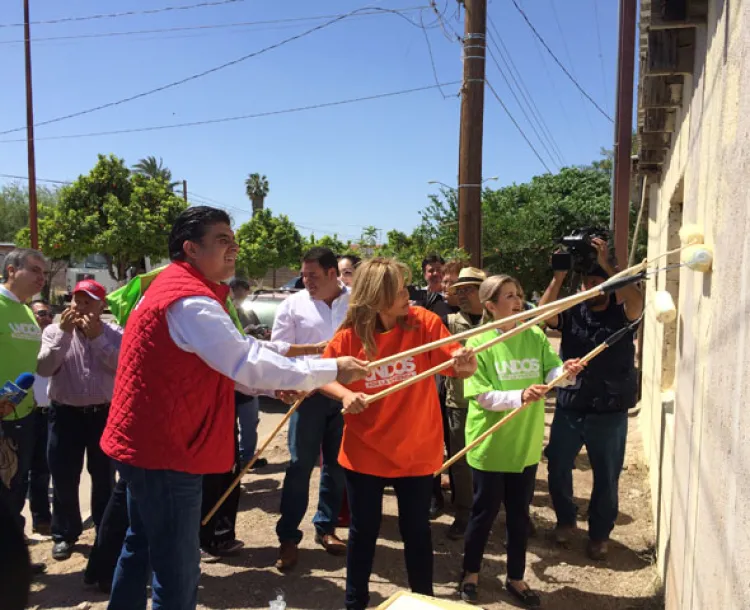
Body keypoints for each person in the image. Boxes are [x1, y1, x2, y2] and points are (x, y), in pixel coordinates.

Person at [99, 207, 368, 610]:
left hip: (149, 443)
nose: (234, 248)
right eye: (222, 239)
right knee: (176, 566)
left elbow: (235, 358)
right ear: (191, 248)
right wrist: (329, 368)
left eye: (232, 239)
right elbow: (246, 363)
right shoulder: (190, 301)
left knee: (143, 545)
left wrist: (293, 374)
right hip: (168, 450)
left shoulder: (176, 289)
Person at [321, 257, 478, 610]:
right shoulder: (349, 337)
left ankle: (424, 601)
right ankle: (355, 603)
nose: (409, 294)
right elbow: (324, 375)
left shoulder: (424, 323)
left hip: (415, 450)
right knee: (363, 534)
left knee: (417, 533)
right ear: (376, 298)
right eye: (400, 290)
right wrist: (347, 395)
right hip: (364, 451)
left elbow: (456, 363)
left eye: (407, 287)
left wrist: (465, 364)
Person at [458, 275, 583, 607]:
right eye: (508, 296)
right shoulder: (478, 342)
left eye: (519, 294)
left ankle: (515, 577)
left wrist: (566, 372)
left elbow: (551, 373)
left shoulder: (535, 335)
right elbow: (481, 395)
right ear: (490, 306)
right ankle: (470, 573)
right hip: (490, 443)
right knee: (483, 513)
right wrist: (520, 395)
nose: (517, 301)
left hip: (525, 443)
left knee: (519, 515)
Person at [539, 238, 643, 560]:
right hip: (572, 405)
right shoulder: (573, 311)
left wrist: (610, 266)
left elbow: (637, 299)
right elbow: (544, 315)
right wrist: (558, 277)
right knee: (557, 465)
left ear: (610, 284)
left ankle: (599, 534)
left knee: (606, 475)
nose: (592, 287)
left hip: (609, 409)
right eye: (587, 281)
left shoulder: (624, 311)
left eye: (599, 282)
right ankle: (566, 520)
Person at [271, 246, 351, 571]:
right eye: (304, 275)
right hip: (308, 396)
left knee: (337, 465)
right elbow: (278, 351)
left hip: (345, 395)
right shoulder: (293, 305)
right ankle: (288, 537)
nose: (306, 281)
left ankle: (326, 527)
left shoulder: (356, 302)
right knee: (299, 465)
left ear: (333, 273)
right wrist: (281, 383)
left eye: (313, 275)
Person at [37, 279, 120, 561]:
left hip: (103, 414)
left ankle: (105, 532)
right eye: (77, 300)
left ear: (102, 306)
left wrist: (97, 339)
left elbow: (122, 367)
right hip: (65, 414)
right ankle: (65, 533)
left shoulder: (113, 332)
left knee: (104, 477)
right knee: (63, 476)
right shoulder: (53, 331)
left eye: (88, 302)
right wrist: (63, 335)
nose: (81, 307)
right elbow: (45, 368)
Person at [0, 248, 47, 577]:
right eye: (35, 270)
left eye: (43, 272)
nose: (41, 278)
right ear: (12, 270)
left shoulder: (28, 312)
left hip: (24, 417)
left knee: (16, 491)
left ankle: (13, 562)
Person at [442, 267, 486, 540]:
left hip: (491, 400)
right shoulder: (449, 322)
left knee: (494, 459)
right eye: (460, 290)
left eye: (470, 289)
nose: (464, 295)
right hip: (458, 400)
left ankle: (494, 510)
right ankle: (464, 512)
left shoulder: (499, 320)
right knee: (460, 460)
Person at [26, 300, 53, 536]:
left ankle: (42, 519)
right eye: (41, 313)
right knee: (16, 473)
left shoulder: (54, 342)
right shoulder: (23, 343)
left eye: (48, 314)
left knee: (42, 471)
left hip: (48, 415)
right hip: (23, 415)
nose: (45, 317)